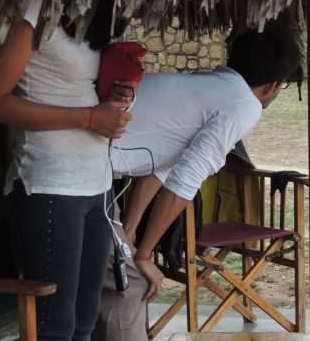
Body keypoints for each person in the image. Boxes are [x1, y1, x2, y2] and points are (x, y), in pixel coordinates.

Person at [92, 29, 298, 341]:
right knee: (130, 284)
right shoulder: (244, 104)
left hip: (95, 175)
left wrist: (132, 240)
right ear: (271, 87)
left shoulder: (205, 86)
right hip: (85, 173)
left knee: (120, 274)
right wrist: (144, 255)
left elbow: (159, 169)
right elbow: (185, 180)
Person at [0, 0, 133, 340]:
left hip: (98, 183)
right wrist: (90, 118)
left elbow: (73, 89)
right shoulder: (30, 9)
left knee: (85, 319)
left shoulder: (86, 13)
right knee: (53, 325)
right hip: (49, 183)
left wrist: (115, 93)